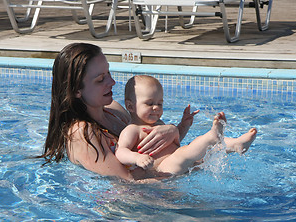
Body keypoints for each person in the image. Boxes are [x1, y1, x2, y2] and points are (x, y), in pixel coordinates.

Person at [39, 43, 189, 181]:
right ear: (76, 90)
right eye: (100, 79)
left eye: (108, 73)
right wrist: (177, 173)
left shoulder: (115, 110)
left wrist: (173, 131)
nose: (112, 82)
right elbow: (127, 184)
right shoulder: (83, 133)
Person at [115, 75, 257, 175]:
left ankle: (234, 145)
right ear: (130, 106)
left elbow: (175, 141)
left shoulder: (159, 124)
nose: (156, 108)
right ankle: (212, 136)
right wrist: (137, 158)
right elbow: (120, 152)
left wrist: (184, 126)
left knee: (205, 155)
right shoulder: (132, 130)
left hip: (180, 165)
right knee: (185, 152)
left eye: (160, 103)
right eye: (150, 103)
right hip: (162, 169)